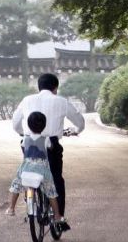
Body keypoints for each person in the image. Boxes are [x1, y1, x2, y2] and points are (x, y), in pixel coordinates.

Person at [12, 73, 84, 224]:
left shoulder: (27, 100)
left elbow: (15, 123)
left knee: (29, 169)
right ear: (55, 88)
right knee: (55, 177)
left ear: (39, 87)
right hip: (51, 144)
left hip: (29, 142)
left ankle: (30, 201)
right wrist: (76, 130)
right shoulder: (61, 101)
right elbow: (80, 121)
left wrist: (22, 132)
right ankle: (58, 217)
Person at [6, 111, 65, 226]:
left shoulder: (25, 139)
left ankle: (11, 208)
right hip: (42, 170)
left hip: (26, 168)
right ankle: (57, 216)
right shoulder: (46, 139)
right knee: (51, 191)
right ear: (44, 125)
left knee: (16, 185)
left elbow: (23, 147)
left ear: (28, 125)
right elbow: (51, 147)